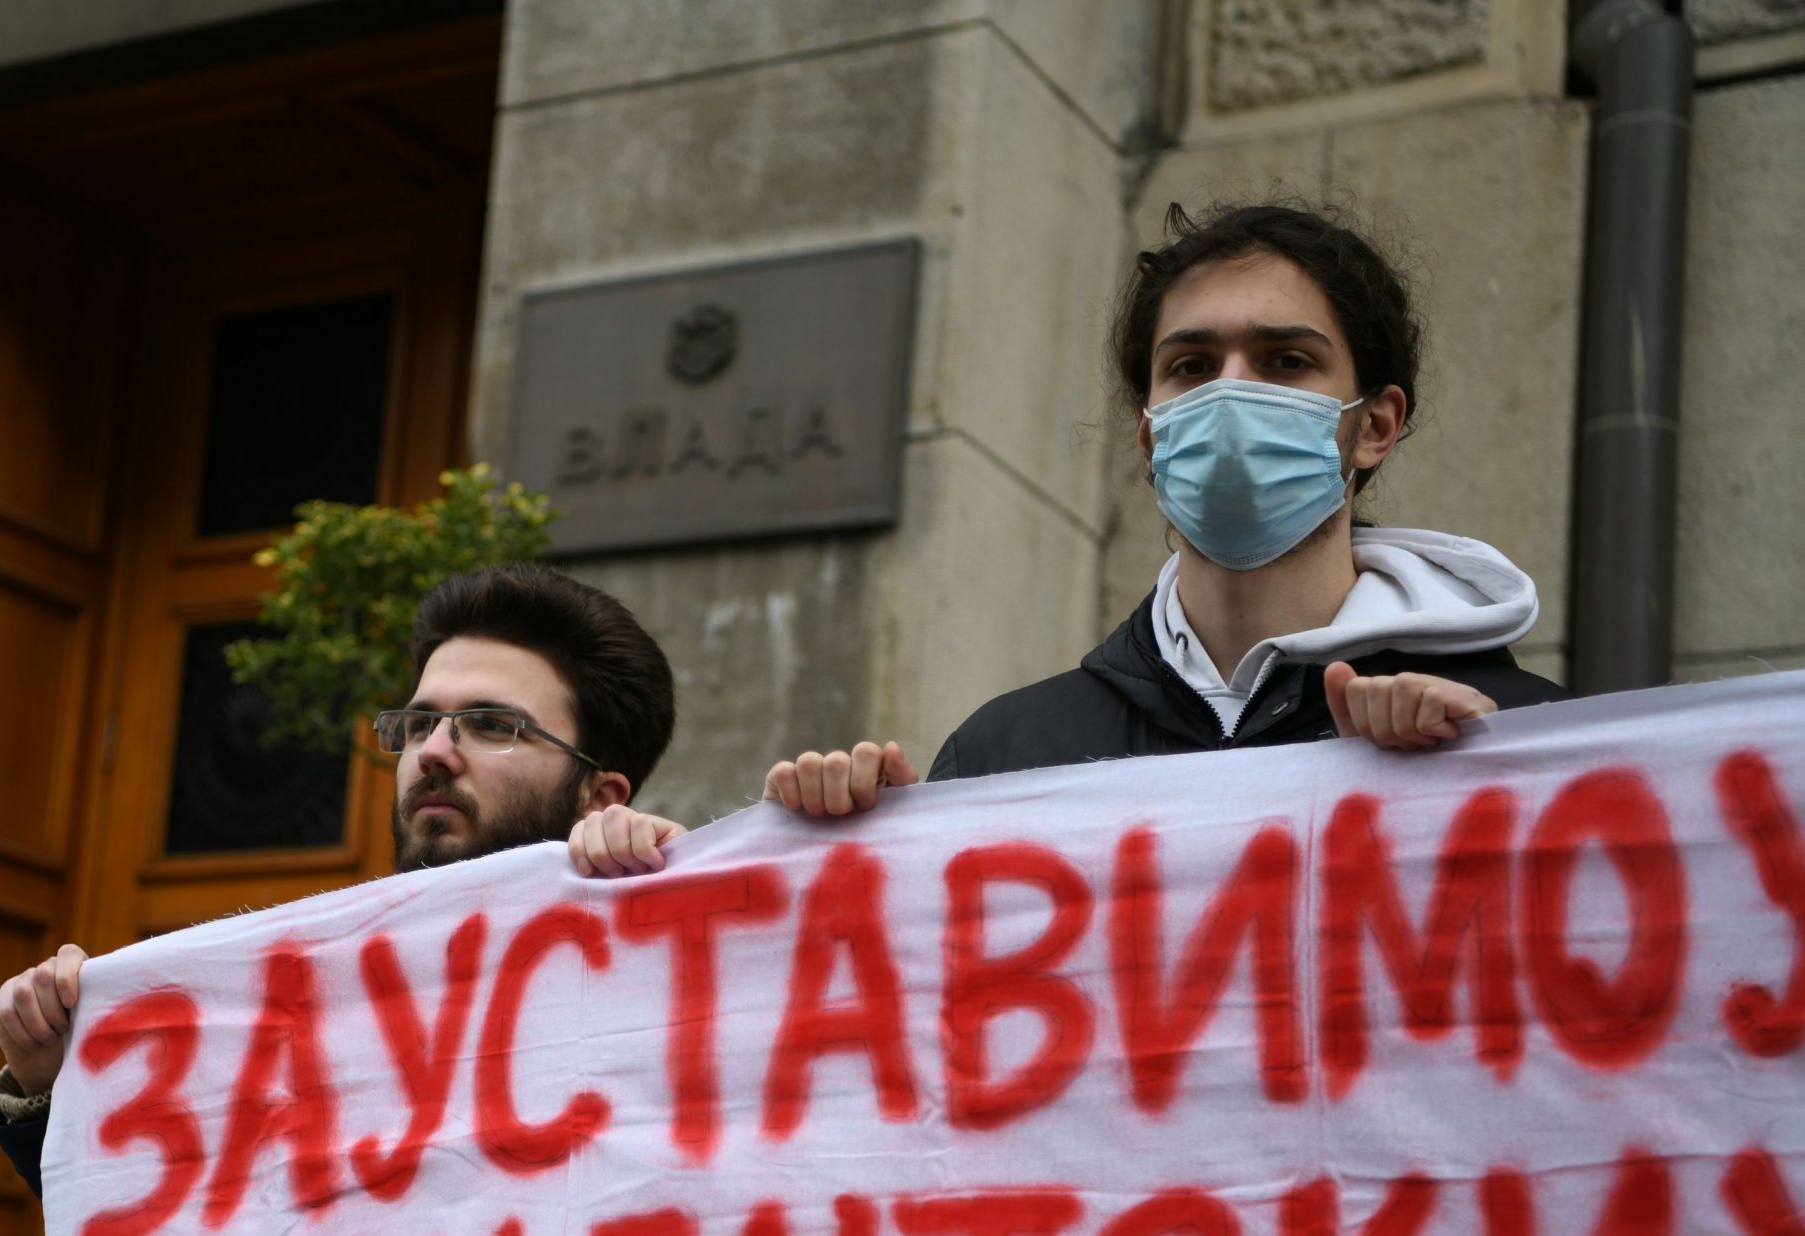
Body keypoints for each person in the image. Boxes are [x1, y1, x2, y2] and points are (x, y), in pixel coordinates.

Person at [568, 199, 1566, 873]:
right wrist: (848, 861)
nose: (1228, 392)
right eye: (1189, 365)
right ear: (1148, 429)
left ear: (1375, 425)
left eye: (1286, 361)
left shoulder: (1522, 732)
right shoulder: (1010, 753)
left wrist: (1486, 783)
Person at [0, 564, 677, 1197]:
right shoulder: (298, 994)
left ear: (600, 798)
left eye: (491, 724)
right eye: (420, 721)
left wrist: (696, 897)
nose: (433, 752)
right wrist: (55, 1082)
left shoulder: (673, 976)